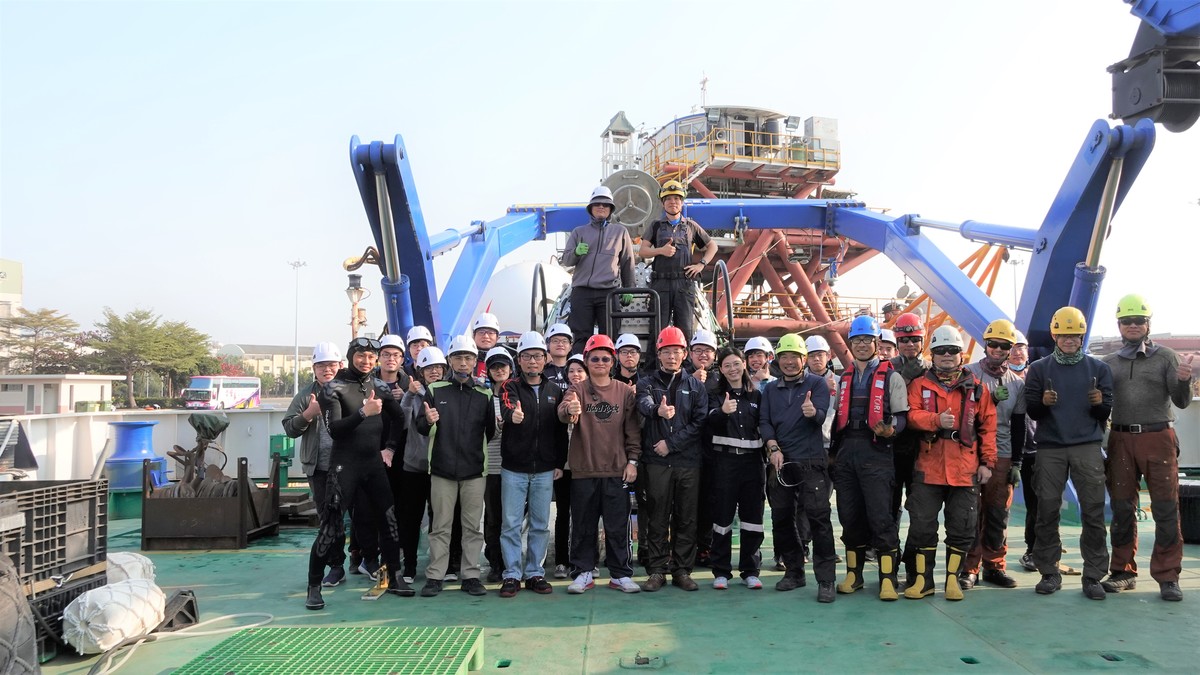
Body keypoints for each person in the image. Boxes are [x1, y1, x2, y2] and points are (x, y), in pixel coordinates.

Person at [306, 337, 412, 610]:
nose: (366, 361)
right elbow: (336, 430)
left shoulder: (376, 385)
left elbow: (399, 417)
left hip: (373, 465)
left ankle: (394, 576)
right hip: (345, 466)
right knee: (331, 526)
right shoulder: (334, 388)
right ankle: (314, 587)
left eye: (370, 357)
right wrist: (364, 413)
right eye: (361, 356)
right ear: (351, 356)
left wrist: (389, 448)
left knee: (389, 523)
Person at [1100, 294, 1193, 602]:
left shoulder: (1166, 357)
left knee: (1166, 507)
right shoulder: (1108, 363)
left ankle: (1168, 576)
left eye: (1139, 321)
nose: (1133, 326)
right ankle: (1123, 572)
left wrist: (1184, 381)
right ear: (1119, 325)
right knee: (1123, 507)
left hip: (1158, 436)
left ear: (1148, 324)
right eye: (1127, 321)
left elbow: (1181, 401)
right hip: (1121, 439)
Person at [1023, 307, 1113, 600]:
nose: (1069, 340)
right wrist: (1044, 402)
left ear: (1081, 335)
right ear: (1054, 335)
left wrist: (1100, 404)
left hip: (1087, 445)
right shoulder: (1039, 369)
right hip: (1050, 447)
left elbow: (1105, 411)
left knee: (1093, 510)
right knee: (1047, 509)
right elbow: (1032, 411)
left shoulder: (1099, 370)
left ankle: (1093, 575)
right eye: (1064, 334)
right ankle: (1049, 571)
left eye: (1075, 335)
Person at [903, 326, 997, 601]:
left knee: (962, 527)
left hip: (964, 467)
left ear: (961, 354)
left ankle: (952, 581)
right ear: (932, 354)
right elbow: (909, 415)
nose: (947, 355)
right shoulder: (919, 385)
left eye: (952, 351)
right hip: (928, 465)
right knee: (922, 527)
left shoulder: (978, 389)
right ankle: (923, 581)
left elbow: (988, 428)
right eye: (941, 351)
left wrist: (987, 463)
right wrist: (934, 421)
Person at [829, 317, 909, 601]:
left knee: (881, 518)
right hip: (847, 451)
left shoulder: (892, 377)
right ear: (851, 344)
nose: (862, 344)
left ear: (877, 343)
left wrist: (890, 430)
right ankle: (854, 575)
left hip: (876, 451)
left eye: (867, 340)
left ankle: (888, 578)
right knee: (849, 517)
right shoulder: (843, 378)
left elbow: (902, 417)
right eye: (857, 340)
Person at [558, 334, 641, 594]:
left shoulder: (624, 392)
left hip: (617, 470)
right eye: (595, 358)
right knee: (583, 525)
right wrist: (570, 410)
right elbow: (562, 412)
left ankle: (620, 574)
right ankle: (583, 572)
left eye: (606, 358)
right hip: (584, 471)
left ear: (612, 361)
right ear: (586, 361)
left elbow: (633, 431)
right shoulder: (577, 391)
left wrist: (633, 461)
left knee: (618, 525)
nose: (600, 362)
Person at [417, 335, 497, 598]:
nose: (463, 363)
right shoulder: (435, 390)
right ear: (450, 360)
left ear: (475, 361)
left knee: (473, 527)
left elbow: (489, 432)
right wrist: (427, 420)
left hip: (474, 471)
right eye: (458, 357)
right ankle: (435, 576)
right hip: (442, 470)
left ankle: (471, 575)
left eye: (468, 358)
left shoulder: (484, 393)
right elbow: (420, 426)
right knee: (440, 525)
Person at [759, 334, 835, 602]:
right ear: (778, 360)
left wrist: (813, 413)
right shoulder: (770, 389)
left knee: (818, 518)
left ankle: (826, 580)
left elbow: (823, 416)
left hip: (811, 461)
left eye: (794, 356)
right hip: (781, 461)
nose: (789, 362)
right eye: (784, 357)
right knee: (781, 517)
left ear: (804, 359)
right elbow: (765, 422)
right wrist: (773, 447)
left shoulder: (818, 384)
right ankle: (794, 571)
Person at [636, 327, 709, 592]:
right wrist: (658, 410)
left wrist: (671, 443)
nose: (671, 357)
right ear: (658, 353)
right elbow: (642, 404)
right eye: (666, 351)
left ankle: (682, 570)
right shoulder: (647, 382)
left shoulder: (695, 386)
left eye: (676, 351)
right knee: (657, 515)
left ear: (684, 354)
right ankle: (657, 569)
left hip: (687, 461)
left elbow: (700, 422)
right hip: (657, 463)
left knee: (686, 517)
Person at [496, 332, 568, 598]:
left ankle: (535, 572)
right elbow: (506, 406)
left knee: (540, 523)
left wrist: (559, 462)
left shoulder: (554, 391)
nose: (532, 361)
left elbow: (560, 430)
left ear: (546, 359)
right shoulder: (510, 387)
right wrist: (512, 414)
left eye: (537, 356)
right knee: (511, 524)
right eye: (527, 356)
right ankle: (512, 574)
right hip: (514, 468)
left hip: (545, 469)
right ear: (519, 360)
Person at [962, 319, 1026, 590]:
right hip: (972, 451)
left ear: (1011, 349)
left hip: (1002, 454)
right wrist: (989, 399)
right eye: (993, 344)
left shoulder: (1017, 384)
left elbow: (1019, 425)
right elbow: (962, 414)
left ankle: (994, 566)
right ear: (985, 345)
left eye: (1004, 346)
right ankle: (969, 568)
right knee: (970, 512)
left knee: (999, 513)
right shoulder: (968, 373)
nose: (998, 350)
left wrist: (1017, 462)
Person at [283, 342, 348, 588]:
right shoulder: (305, 395)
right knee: (328, 518)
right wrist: (309, 413)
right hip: (318, 467)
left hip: (348, 463)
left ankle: (362, 561)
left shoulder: (349, 390)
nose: (326, 369)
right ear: (314, 368)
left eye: (331, 364)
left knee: (352, 515)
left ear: (340, 366)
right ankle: (336, 566)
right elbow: (289, 428)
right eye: (321, 365)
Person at [706, 346, 767, 590]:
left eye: (736, 363)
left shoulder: (757, 395)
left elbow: (766, 424)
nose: (732, 369)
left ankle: (750, 570)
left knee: (753, 518)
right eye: (726, 365)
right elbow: (706, 422)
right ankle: (721, 571)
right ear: (720, 369)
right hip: (725, 463)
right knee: (722, 517)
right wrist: (721, 413)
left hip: (753, 463)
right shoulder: (714, 393)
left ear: (743, 364)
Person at [398, 347, 457, 585]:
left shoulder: (450, 393)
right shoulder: (413, 394)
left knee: (441, 519)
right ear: (420, 371)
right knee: (410, 519)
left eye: (439, 368)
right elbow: (401, 422)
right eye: (429, 368)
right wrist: (409, 395)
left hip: (441, 467)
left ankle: (444, 564)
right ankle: (409, 566)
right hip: (414, 466)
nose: (434, 371)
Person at [560, 187, 636, 354]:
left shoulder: (620, 232)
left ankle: (609, 375)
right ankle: (580, 373)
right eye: (597, 204)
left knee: (609, 337)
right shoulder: (579, 232)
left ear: (610, 209)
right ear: (591, 209)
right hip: (582, 292)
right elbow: (566, 260)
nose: (601, 207)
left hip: (609, 292)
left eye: (605, 205)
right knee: (581, 337)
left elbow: (627, 262)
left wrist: (629, 289)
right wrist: (576, 252)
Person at [639, 180, 718, 340]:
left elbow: (712, 246)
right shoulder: (655, 226)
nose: (672, 202)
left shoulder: (691, 226)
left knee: (685, 331)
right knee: (657, 331)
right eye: (668, 199)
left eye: (676, 199)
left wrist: (700, 265)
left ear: (682, 203)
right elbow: (643, 251)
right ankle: (654, 364)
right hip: (661, 284)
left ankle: (687, 365)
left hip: (684, 283)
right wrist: (661, 250)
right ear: (663, 203)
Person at [889, 312, 930, 560]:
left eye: (914, 339)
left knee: (919, 508)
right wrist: (904, 379)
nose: (909, 345)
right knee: (890, 506)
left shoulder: (932, 369)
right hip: (893, 448)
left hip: (922, 449)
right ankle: (890, 556)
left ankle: (914, 559)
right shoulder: (887, 369)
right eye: (904, 340)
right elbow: (883, 402)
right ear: (897, 342)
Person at [543, 322, 574, 578]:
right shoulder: (543, 374)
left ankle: (587, 559)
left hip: (583, 456)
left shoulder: (585, 377)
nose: (560, 344)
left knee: (586, 512)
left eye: (565, 340)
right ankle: (560, 560)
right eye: (555, 340)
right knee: (559, 511)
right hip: (553, 453)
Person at [482, 347, 514, 584]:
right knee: (493, 518)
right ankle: (495, 562)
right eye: (494, 366)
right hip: (491, 468)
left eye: (503, 365)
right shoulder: (482, 398)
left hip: (515, 468)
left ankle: (511, 560)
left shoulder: (518, 398)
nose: (499, 370)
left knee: (512, 518)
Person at [471, 313, 503, 379]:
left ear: (497, 337)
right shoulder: (465, 358)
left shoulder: (504, 359)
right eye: (481, 332)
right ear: (473, 336)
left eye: (491, 332)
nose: (486, 336)